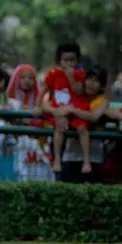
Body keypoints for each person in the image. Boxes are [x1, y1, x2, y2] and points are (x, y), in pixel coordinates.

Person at [41, 42, 90, 175]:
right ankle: (57, 160)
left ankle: (87, 160)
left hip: (76, 110)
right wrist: (38, 105)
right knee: (59, 130)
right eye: (65, 60)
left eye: (72, 60)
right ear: (59, 60)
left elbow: (79, 91)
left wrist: (71, 77)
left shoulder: (80, 73)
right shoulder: (53, 74)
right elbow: (45, 89)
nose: (69, 63)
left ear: (77, 60)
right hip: (59, 111)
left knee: (82, 129)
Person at [58, 65, 112, 183]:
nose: (91, 83)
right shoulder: (75, 95)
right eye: (89, 79)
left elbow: (93, 117)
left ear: (102, 86)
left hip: (94, 157)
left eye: (96, 80)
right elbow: (59, 109)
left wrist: (73, 110)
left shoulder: (103, 101)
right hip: (71, 154)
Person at [7, 64, 54, 181]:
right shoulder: (9, 101)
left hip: (34, 144)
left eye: (30, 78)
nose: (26, 81)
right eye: (22, 78)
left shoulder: (41, 101)